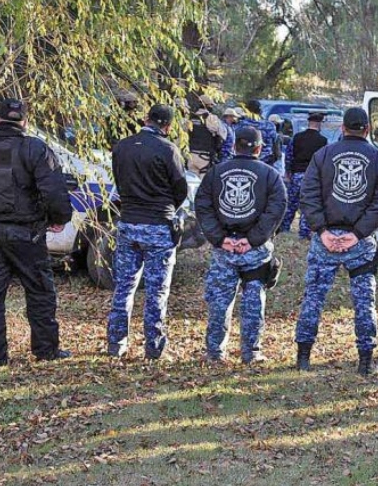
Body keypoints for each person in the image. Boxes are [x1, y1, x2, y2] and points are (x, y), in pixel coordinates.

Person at [295, 107, 378, 376]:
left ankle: (303, 357)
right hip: (358, 243)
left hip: (328, 239)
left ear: (342, 128)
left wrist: (322, 231)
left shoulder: (323, 155)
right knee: (364, 303)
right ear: (367, 129)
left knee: (313, 299)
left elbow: (308, 195)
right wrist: (358, 233)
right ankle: (365, 360)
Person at [0, 98, 73, 367]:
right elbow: (53, 189)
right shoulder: (34, 148)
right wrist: (60, 218)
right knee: (40, 291)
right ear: (24, 122)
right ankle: (46, 350)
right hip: (25, 231)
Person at [195, 126, 288, 363]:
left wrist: (220, 238)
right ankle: (251, 352)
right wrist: (253, 239)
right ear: (258, 148)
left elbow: (203, 207)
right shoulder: (270, 175)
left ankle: (215, 353)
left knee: (219, 302)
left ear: (234, 145)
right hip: (253, 251)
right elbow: (276, 210)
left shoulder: (215, 173)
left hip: (226, 250)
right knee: (253, 304)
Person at [105, 105, 189, 360]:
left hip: (128, 223)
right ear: (168, 126)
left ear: (146, 119)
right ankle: (154, 347)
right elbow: (180, 189)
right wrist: (165, 207)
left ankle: (115, 344)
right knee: (157, 292)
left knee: (123, 288)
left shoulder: (122, 147)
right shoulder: (168, 150)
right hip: (158, 226)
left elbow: (119, 181)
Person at [284, 112, 329, 239]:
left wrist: (288, 173)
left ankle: (284, 228)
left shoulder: (297, 137)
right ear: (319, 124)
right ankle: (304, 233)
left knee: (291, 203)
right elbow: (324, 162)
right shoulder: (323, 141)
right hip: (312, 178)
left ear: (308, 122)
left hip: (296, 175)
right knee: (307, 205)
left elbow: (289, 156)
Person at [186, 93, 232, 176]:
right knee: (204, 186)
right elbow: (223, 135)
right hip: (205, 157)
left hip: (190, 156)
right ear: (207, 105)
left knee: (192, 184)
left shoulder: (190, 117)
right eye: (211, 105)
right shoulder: (211, 118)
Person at [239, 101, 285, 178]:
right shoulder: (269, 125)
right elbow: (275, 143)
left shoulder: (241, 125)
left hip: (244, 163)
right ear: (260, 111)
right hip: (265, 164)